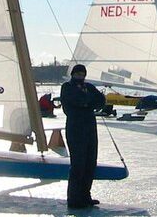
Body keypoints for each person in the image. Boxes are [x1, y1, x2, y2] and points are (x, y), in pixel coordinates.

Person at [60, 64, 106, 209]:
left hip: (90, 128)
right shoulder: (67, 87)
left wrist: (89, 102)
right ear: (73, 74)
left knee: (90, 163)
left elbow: (101, 100)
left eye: (82, 74)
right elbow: (77, 101)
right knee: (78, 165)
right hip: (75, 129)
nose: (80, 76)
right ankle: (74, 199)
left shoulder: (89, 87)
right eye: (78, 74)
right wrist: (88, 102)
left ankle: (85, 195)